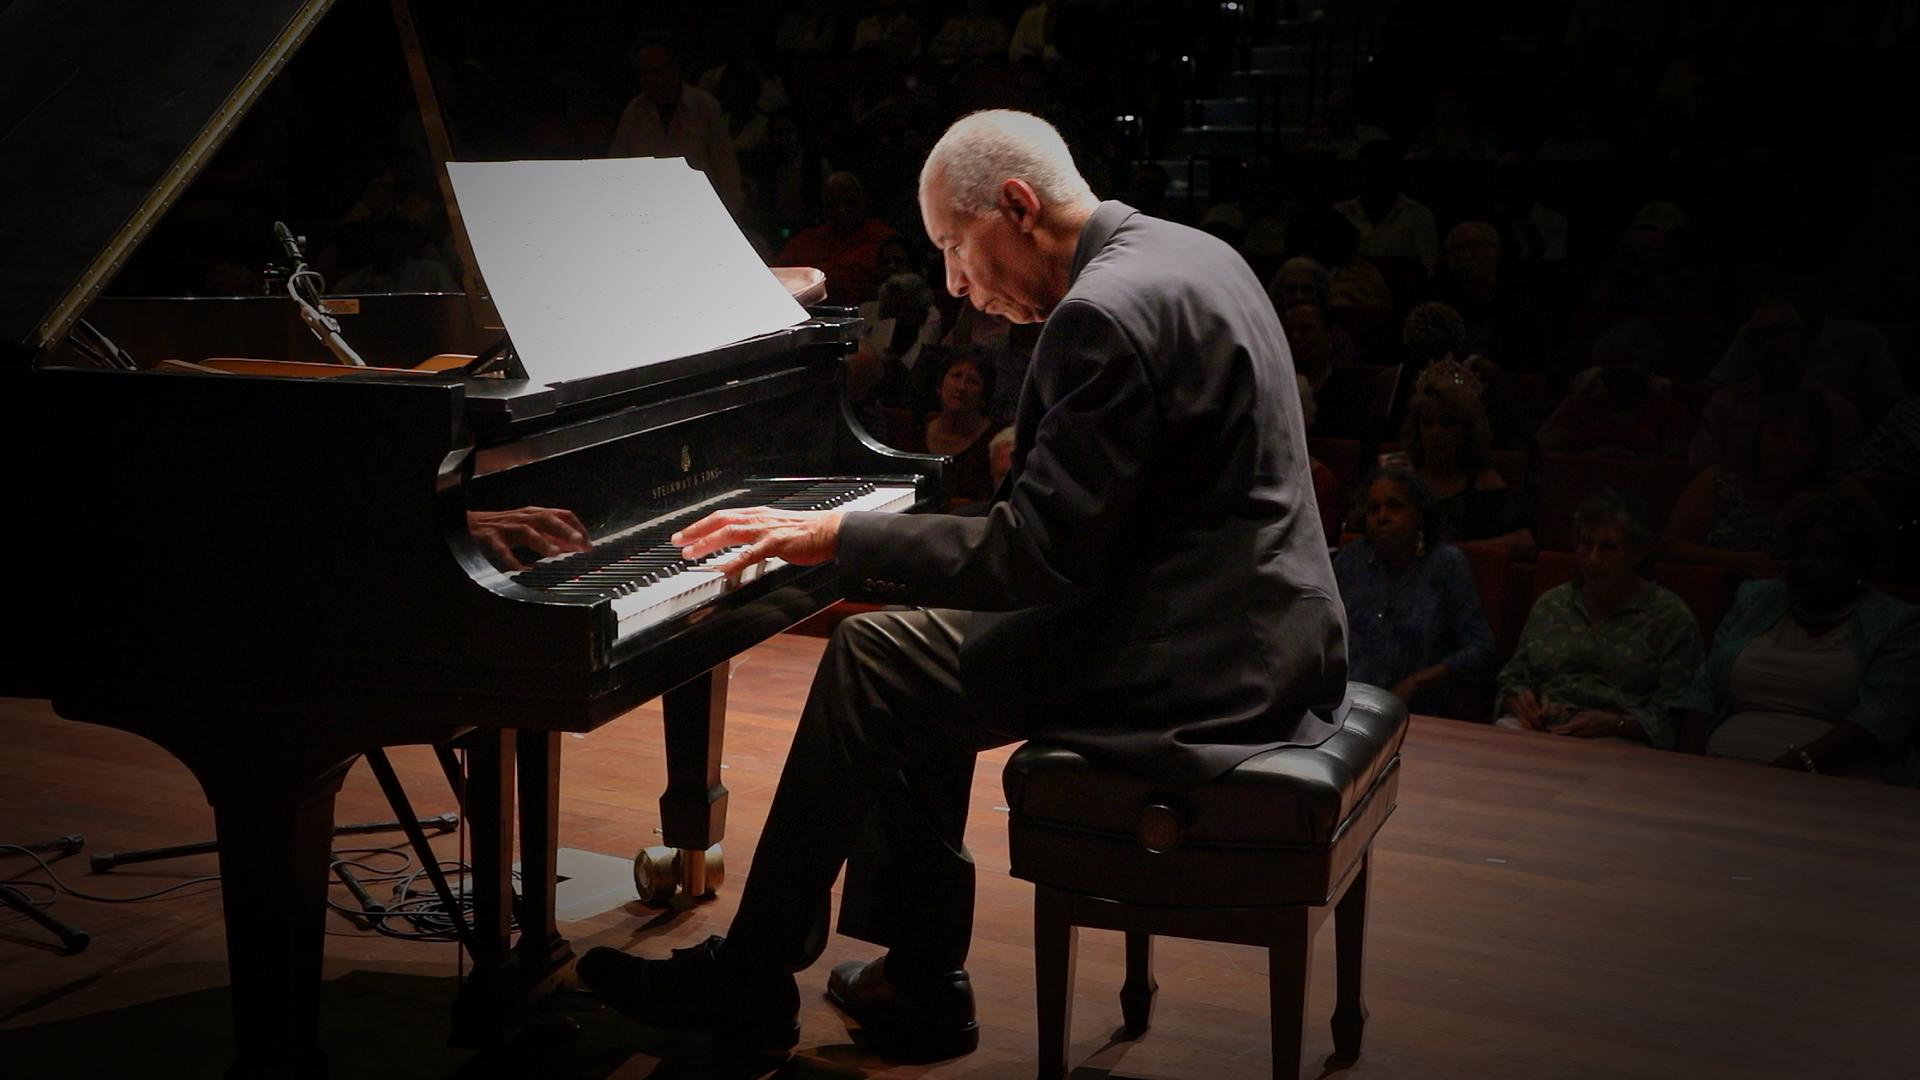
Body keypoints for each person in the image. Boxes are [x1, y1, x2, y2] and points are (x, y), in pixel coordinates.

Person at [574, 109, 1349, 1062]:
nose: (955, 286)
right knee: (910, 651)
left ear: (1017, 207)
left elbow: (1034, 557)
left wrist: (833, 535)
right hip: (1256, 624)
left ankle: (756, 980)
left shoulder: (1101, 314)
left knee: (876, 657)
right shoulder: (1189, 250)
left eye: (954, 246)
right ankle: (917, 979)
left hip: (1196, 658)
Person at [1674, 493, 1920, 786]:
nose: (1805, 562)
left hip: (1835, 780)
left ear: (1860, 565)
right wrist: (1688, 768)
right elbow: (1704, 689)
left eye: (1824, 554)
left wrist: (1783, 770)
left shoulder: (1897, 622)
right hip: (1723, 770)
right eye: (1797, 551)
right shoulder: (1756, 599)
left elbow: (1880, 721)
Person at [1494, 490, 1704, 747]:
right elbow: (1512, 677)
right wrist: (1518, 701)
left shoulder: (1669, 617)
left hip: (1616, 737)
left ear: (1637, 554)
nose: (1594, 559)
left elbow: (1674, 715)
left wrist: (1616, 723)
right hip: (1539, 727)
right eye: (1586, 544)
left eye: (1610, 547)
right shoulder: (1553, 604)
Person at [1662, 388, 1882, 579]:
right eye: (1779, 433)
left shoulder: (1841, 490)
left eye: (1803, 439)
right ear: (1760, 435)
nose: (1788, 446)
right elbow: (1669, 548)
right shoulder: (1720, 479)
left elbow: (1879, 564)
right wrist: (1734, 561)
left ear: (1820, 448)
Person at [1333, 466, 1497, 711]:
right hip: (1346, 703)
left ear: (1420, 515)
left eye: (1395, 506)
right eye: (1373, 508)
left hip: (1416, 708)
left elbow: (1481, 650)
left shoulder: (1447, 565)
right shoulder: (1351, 560)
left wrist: (1418, 683)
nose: (1382, 517)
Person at [1689, 298, 1867, 467]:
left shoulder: (1837, 411)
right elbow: (1702, 471)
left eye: (1779, 332)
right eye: (1758, 335)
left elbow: (1839, 485)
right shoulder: (1723, 405)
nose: (1768, 343)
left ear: (1804, 338)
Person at [1399, 370, 1534, 557]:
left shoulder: (1482, 482)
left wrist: (1459, 551)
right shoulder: (1400, 475)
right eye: (1427, 422)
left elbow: (1524, 543)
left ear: (1467, 430)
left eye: (1448, 423)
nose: (1436, 432)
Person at [609, 31, 745, 217]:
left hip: (699, 211)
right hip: (647, 211)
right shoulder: (634, 112)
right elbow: (617, 168)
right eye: (644, 72)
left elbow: (726, 169)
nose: (650, 79)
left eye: (656, 71)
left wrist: (729, 218)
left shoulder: (705, 107)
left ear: (675, 67)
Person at [1538, 320, 1693, 460]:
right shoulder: (1579, 408)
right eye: (1611, 362)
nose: (1619, 367)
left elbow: (1673, 466)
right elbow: (1547, 457)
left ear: (1649, 365)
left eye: (1629, 360)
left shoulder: (1672, 413)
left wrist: (1633, 461)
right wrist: (1587, 459)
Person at [775, 171, 899, 307]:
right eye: (833, 205)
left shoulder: (886, 241)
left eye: (849, 203)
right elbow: (776, 286)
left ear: (864, 201)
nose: (841, 210)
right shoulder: (801, 244)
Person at [908, 352, 1007, 504]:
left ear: (984, 397)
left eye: (973, 381)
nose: (961, 387)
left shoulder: (996, 442)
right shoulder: (916, 431)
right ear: (940, 386)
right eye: (956, 376)